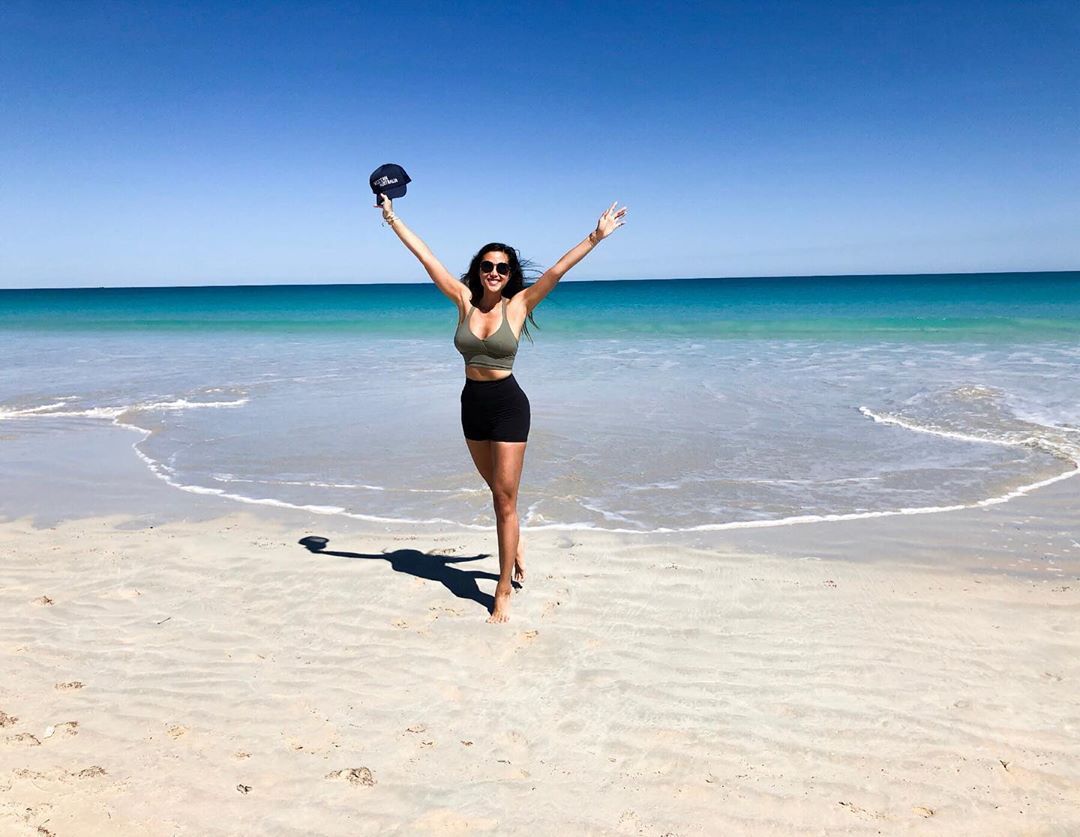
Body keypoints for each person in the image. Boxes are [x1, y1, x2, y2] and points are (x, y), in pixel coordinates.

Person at [376, 192, 627, 622]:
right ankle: (517, 542)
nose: (494, 272)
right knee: (497, 491)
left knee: (504, 501)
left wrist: (596, 236)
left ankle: (503, 588)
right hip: (471, 405)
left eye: (502, 268)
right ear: (478, 270)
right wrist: (392, 218)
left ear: (510, 275)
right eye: (487, 266)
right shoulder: (462, 301)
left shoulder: (520, 305)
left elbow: (557, 270)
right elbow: (426, 258)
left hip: (509, 406)